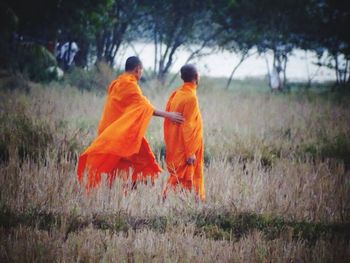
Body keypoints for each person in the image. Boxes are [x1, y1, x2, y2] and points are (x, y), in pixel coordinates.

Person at [77, 56, 184, 190]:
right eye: (141, 70)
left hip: (112, 130)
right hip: (120, 133)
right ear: (137, 69)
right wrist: (168, 115)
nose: (141, 73)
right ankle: (129, 188)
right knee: (138, 160)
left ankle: (127, 189)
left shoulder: (116, 83)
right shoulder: (130, 85)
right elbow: (145, 107)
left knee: (132, 158)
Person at [162, 64, 205, 200]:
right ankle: (165, 198)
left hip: (176, 141)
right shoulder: (191, 98)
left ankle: (181, 203)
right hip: (185, 146)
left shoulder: (177, 93)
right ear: (197, 77)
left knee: (178, 175)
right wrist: (190, 152)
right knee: (180, 176)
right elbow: (188, 126)